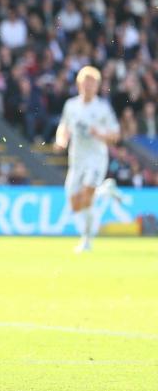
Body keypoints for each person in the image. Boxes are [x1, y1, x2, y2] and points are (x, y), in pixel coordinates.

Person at [55, 66, 127, 253]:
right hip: (76, 159)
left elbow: (116, 135)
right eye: (86, 83)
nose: (89, 86)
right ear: (79, 84)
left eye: (92, 83)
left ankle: (86, 240)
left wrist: (100, 134)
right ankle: (106, 190)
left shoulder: (102, 108)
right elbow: (64, 126)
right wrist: (61, 140)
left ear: (97, 86)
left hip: (96, 158)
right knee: (75, 204)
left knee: (87, 197)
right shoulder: (71, 105)